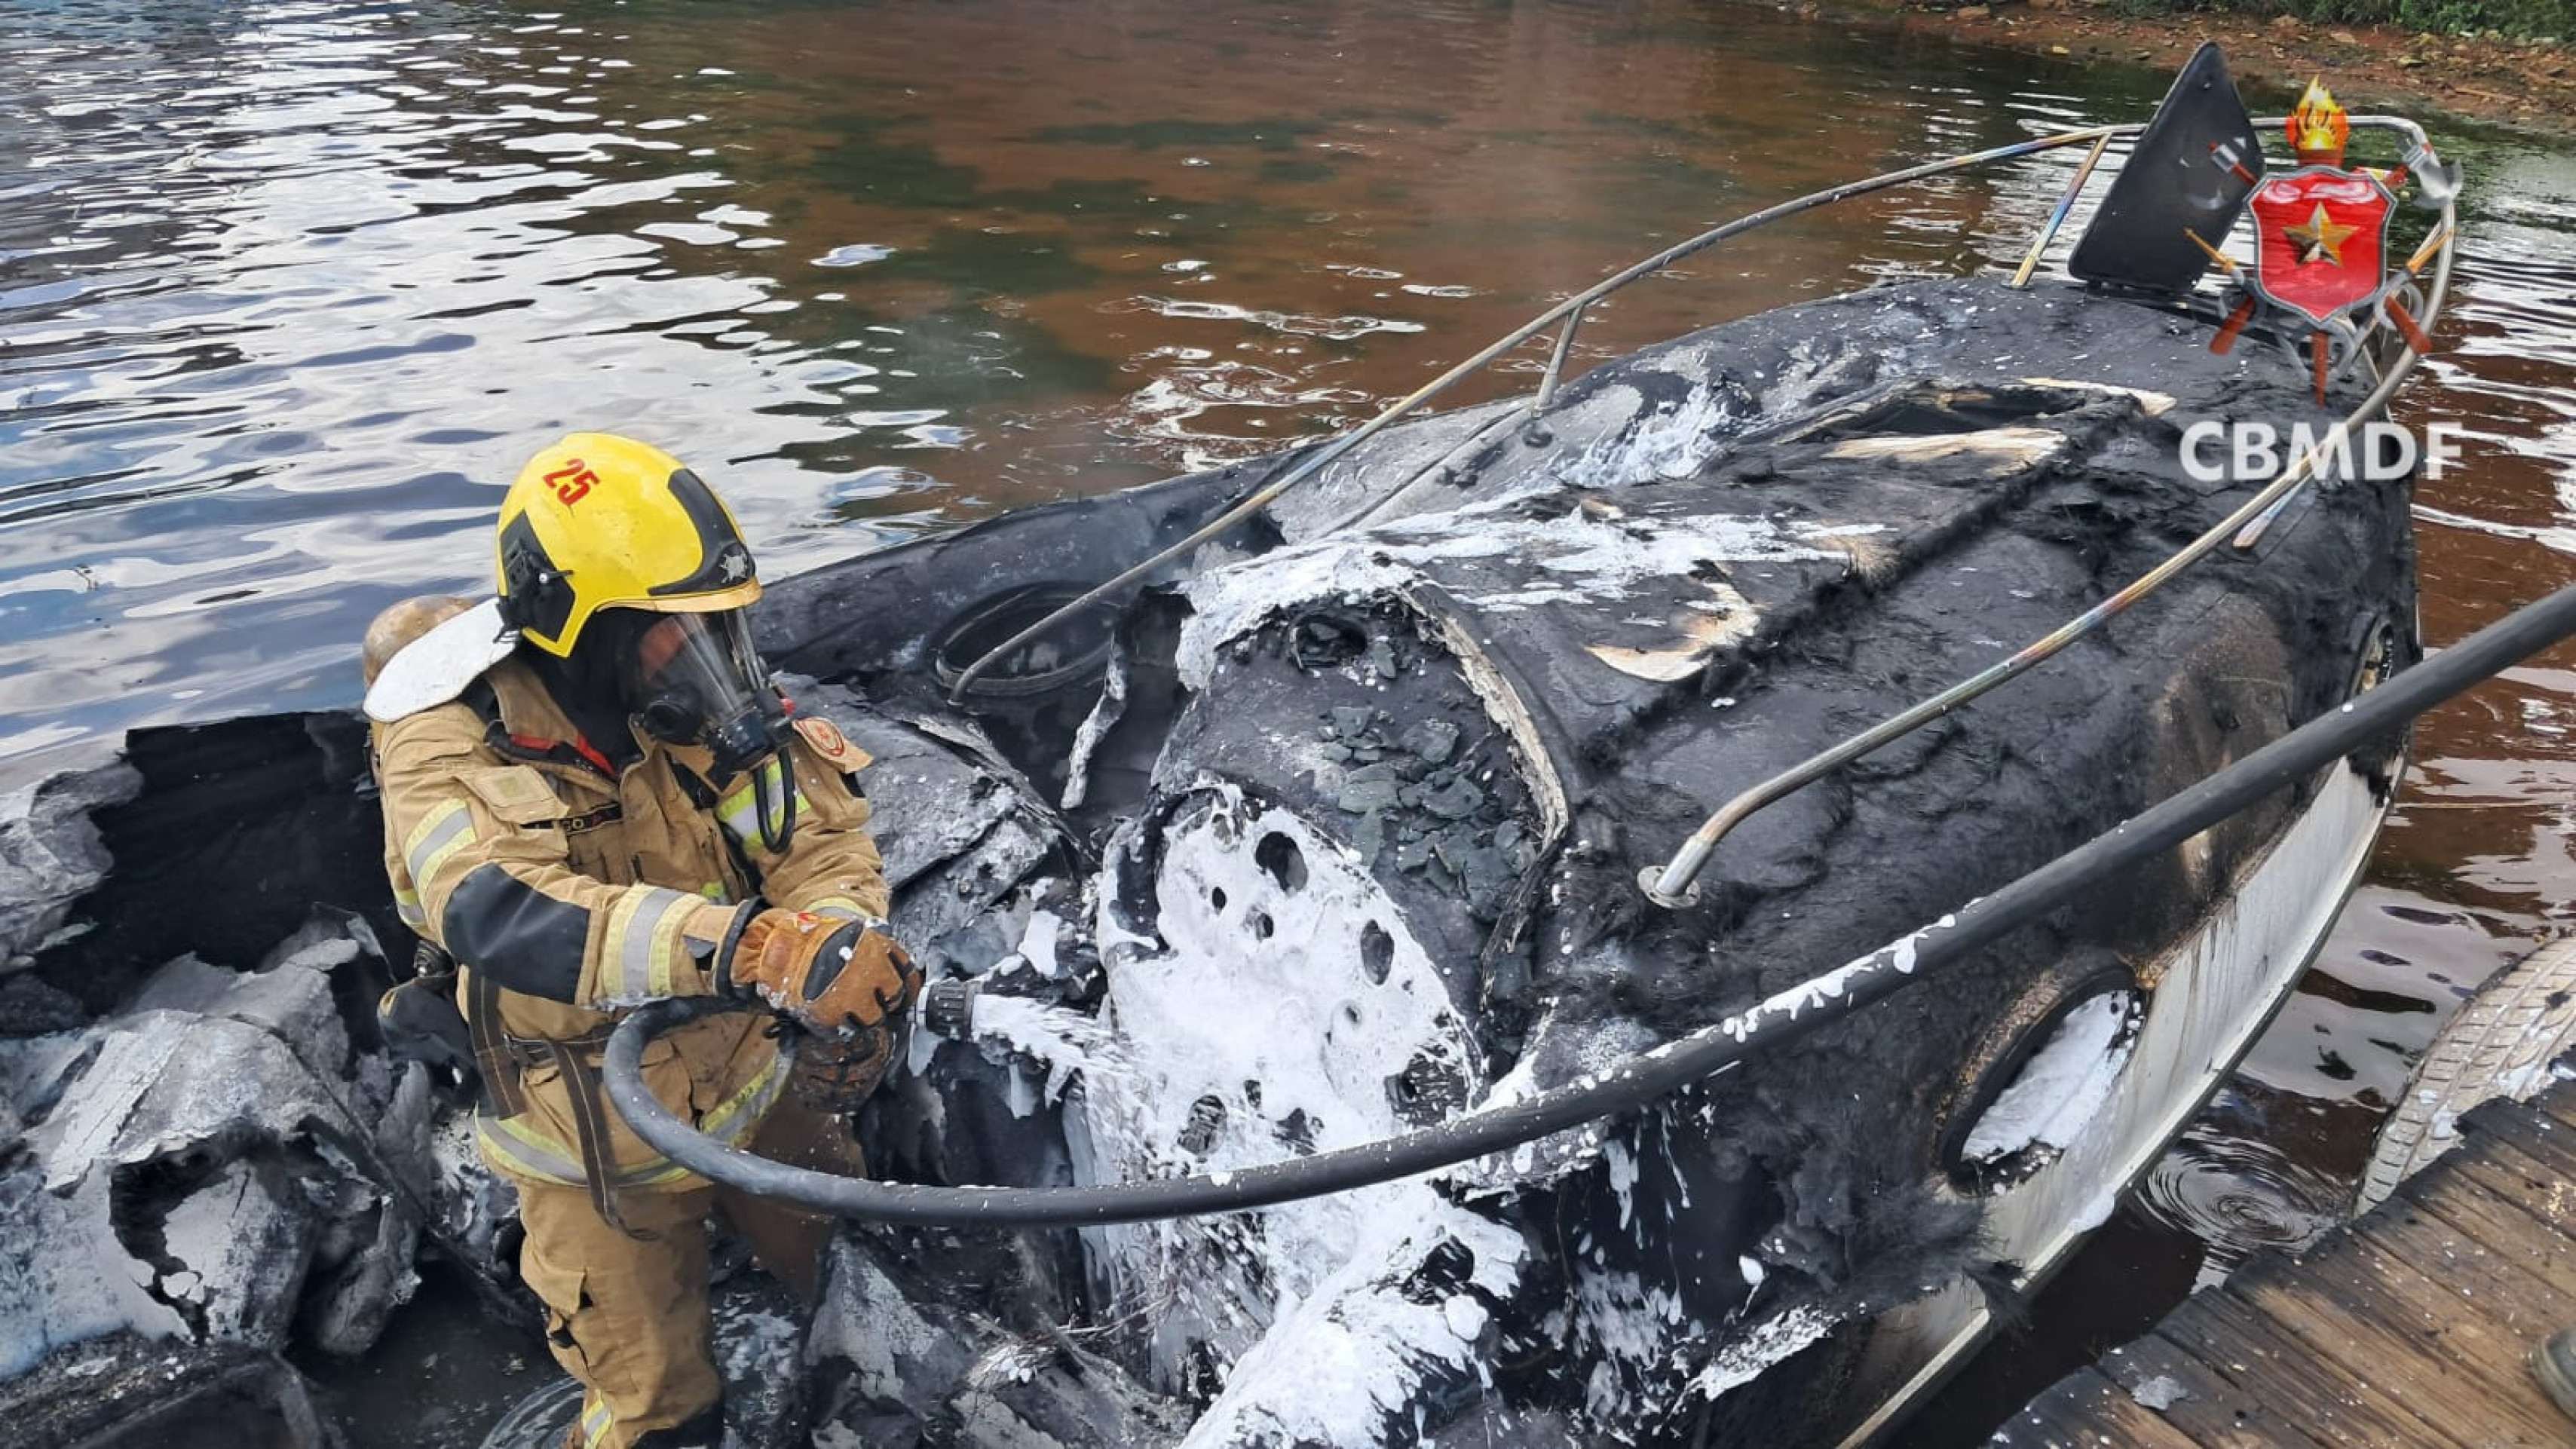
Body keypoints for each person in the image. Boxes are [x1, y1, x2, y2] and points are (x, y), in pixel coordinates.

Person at [360, 433, 918, 1449]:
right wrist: (747, 948)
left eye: (714, 627)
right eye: (672, 632)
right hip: (591, 1148)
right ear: (578, 630)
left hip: (758, 1090)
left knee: (867, 1306)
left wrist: (839, 938)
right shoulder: (445, 738)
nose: (702, 655)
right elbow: (496, 906)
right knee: (658, 1413)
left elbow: (813, 841)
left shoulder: (688, 705)